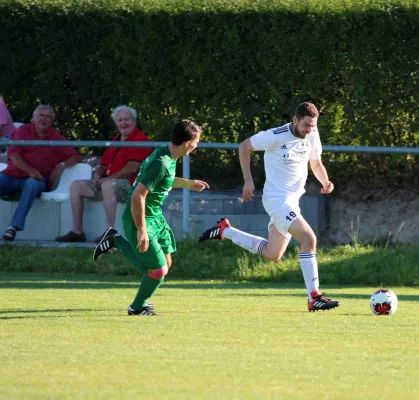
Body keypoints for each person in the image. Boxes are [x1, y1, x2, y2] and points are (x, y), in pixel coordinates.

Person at [199, 102, 339, 312]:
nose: (309, 130)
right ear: (294, 120)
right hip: (276, 200)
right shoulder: (275, 135)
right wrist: (248, 181)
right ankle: (314, 297)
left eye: (313, 126)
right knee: (309, 239)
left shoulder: (312, 134)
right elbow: (244, 146)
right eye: (306, 125)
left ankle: (225, 231)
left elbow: (316, 163)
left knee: (273, 254)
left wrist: (325, 181)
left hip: (292, 201)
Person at [93, 119, 208, 316]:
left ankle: (114, 240)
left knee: (165, 264)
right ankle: (137, 307)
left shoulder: (167, 154)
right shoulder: (162, 162)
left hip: (155, 217)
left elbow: (164, 181)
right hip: (140, 217)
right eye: (196, 142)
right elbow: (138, 195)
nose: (197, 146)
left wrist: (188, 184)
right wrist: (142, 230)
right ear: (187, 143)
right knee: (156, 270)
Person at [0, 105, 80, 241]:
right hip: (11, 175)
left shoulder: (56, 137)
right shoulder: (22, 131)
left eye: (48, 116)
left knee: (32, 184)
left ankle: (13, 228)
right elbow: (14, 156)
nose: (44, 119)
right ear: (34, 117)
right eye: (41, 115)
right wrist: (31, 171)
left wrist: (61, 165)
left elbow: (75, 156)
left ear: (52, 121)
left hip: (38, 179)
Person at [55, 105, 153, 243]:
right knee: (76, 185)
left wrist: (106, 179)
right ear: (116, 123)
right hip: (111, 184)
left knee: (107, 184)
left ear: (134, 121)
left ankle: (110, 233)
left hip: (133, 186)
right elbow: (102, 165)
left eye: (127, 119)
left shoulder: (140, 139)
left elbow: (132, 167)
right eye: (120, 120)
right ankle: (77, 232)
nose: (123, 123)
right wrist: (97, 176)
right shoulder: (116, 139)